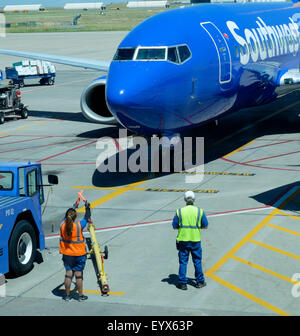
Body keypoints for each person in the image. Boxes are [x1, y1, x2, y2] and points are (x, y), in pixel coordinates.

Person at [172, 191, 208, 290]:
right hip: (195, 240)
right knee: (197, 261)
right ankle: (200, 282)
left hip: (183, 240)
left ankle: (182, 283)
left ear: (184, 200)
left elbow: (174, 226)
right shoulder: (200, 211)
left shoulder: (179, 211)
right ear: (194, 199)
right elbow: (205, 225)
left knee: (183, 262)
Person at [59, 202, 91, 301]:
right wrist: (87, 207)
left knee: (68, 274)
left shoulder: (62, 224)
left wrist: (73, 207)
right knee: (78, 275)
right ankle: (80, 296)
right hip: (79, 255)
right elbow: (87, 217)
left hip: (67, 254)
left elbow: (66, 217)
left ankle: (67, 296)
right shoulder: (78, 225)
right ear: (75, 217)